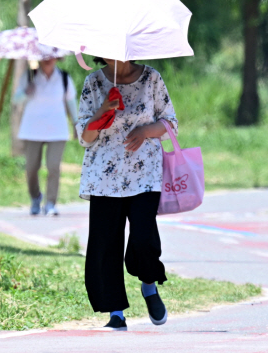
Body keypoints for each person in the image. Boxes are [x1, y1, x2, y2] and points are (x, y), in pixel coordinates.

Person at [75, 57, 178, 330]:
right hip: (103, 178)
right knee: (105, 245)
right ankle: (116, 313)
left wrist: (145, 131)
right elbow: (84, 137)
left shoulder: (151, 78)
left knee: (144, 238)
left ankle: (149, 285)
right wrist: (100, 113)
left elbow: (170, 124)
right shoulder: (93, 82)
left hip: (144, 175)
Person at [13, 58, 78, 216]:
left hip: (57, 130)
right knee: (31, 168)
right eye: (44, 56)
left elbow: (71, 102)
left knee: (54, 166)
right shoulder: (29, 77)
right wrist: (26, 92)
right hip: (32, 130)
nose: (48, 60)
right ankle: (35, 197)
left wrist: (76, 124)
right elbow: (16, 100)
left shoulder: (63, 78)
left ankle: (50, 203)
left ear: (57, 58)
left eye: (51, 56)